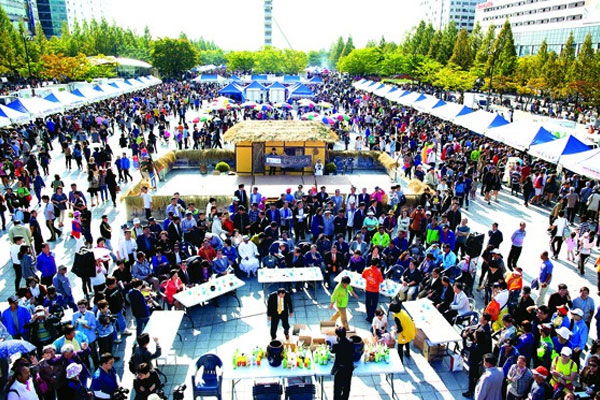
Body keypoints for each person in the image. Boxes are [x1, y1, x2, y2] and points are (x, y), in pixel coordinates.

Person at [330, 326, 354, 400]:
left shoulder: (336, 345)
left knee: (338, 388)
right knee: (346, 387)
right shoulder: (351, 342)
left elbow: (332, 350)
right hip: (348, 368)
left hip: (340, 369)